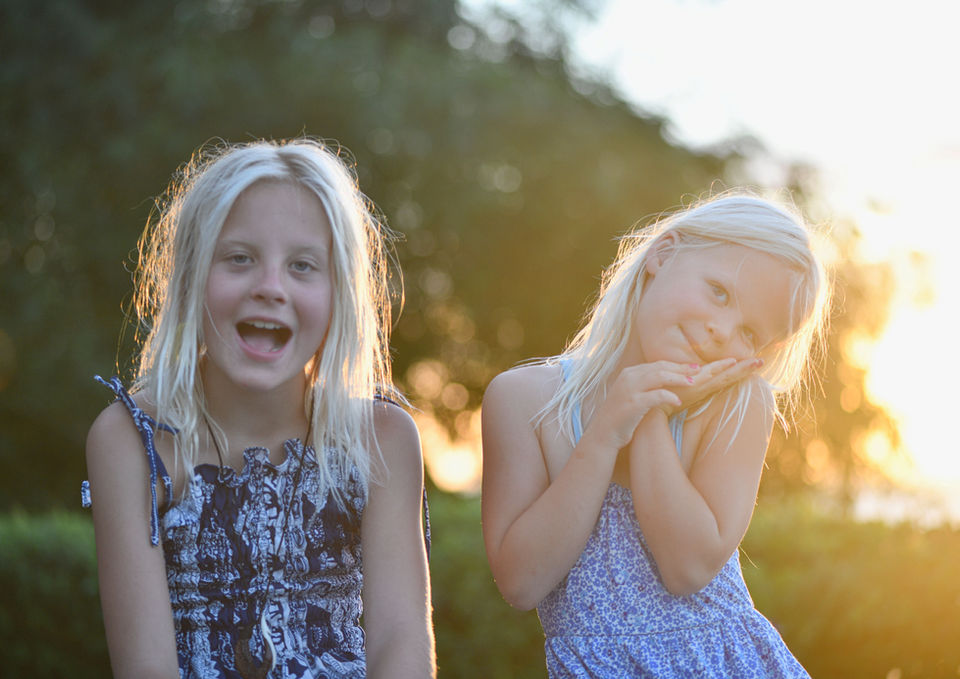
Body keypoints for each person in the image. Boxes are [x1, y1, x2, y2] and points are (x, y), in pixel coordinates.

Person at [83, 139, 435, 679]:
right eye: (240, 258)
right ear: (191, 276)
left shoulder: (382, 437)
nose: (270, 287)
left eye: (302, 265)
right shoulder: (133, 441)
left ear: (340, 292)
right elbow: (145, 668)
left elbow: (399, 646)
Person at [481, 193, 830, 677]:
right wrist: (605, 433)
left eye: (750, 333)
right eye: (720, 292)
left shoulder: (738, 405)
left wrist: (650, 416)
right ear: (663, 254)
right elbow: (520, 583)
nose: (721, 330)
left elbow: (687, 569)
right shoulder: (523, 400)